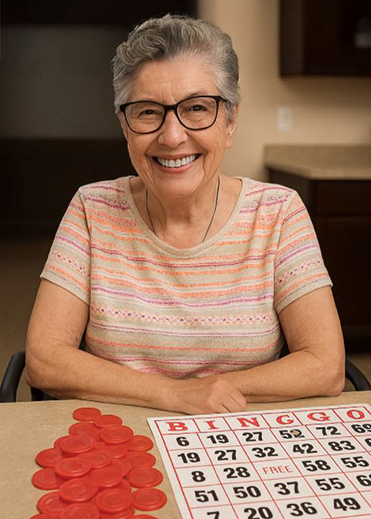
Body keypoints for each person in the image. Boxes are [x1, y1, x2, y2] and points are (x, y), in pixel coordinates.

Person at [25, 14, 345, 414]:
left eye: (196, 108)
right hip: (115, 442)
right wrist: (174, 394)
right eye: (147, 112)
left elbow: (325, 365)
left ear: (230, 122)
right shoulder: (92, 208)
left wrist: (213, 391)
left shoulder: (279, 212)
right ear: (125, 128)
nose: (172, 136)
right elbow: (44, 358)